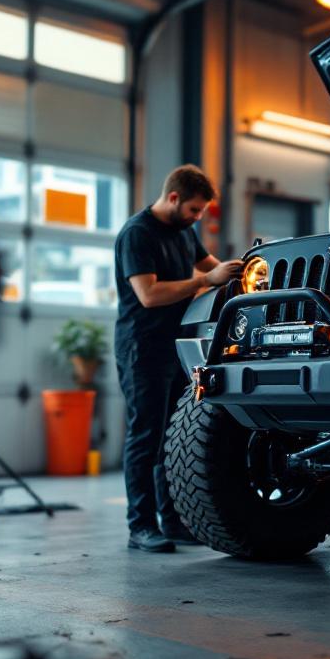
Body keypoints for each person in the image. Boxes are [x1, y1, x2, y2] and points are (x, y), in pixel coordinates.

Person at [114, 165, 241, 552]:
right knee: (146, 435)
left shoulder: (183, 231)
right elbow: (149, 295)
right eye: (195, 210)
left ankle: (171, 522)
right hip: (142, 348)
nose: (199, 217)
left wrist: (240, 271)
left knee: (173, 435)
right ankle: (140, 526)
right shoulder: (137, 234)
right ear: (173, 198)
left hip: (174, 346)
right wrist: (206, 280)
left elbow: (210, 265)